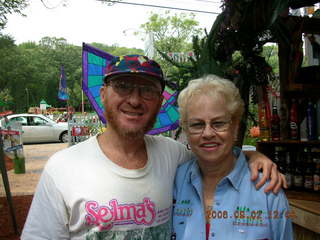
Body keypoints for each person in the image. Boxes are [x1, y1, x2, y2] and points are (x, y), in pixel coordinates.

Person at [21, 55, 284, 239]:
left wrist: (252, 155)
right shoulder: (63, 167)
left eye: (147, 91)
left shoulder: (173, 155)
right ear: (103, 95)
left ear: (159, 102)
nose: (134, 100)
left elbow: (215, 153)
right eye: (123, 86)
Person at [172, 75, 293, 240]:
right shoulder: (175, 181)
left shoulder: (267, 191)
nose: (207, 133)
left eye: (218, 123)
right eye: (197, 124)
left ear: (235, 127)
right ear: (186, 130)